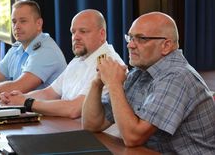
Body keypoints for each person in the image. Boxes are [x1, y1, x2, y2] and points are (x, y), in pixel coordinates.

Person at [82, 12, 215, 154]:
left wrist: (114, 84)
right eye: (130, 37)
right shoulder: (139, 73)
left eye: (141, 38)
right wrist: (98, 81)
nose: (130, 45)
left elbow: (133, 138)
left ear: (166, 45)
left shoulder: (178, 76)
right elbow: (92, 124)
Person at [0, 9, 125, 119]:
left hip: (102, 140)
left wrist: (26, 102)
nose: (76, 37)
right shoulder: (78, 60)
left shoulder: (109, 63)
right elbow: (49, 93)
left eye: (83, 31)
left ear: (101, 34)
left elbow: (74, 109)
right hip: (72, 131)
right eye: (73, 32)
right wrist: (16, 98)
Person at [0, 0, 67, 99]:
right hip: (25, 110)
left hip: (47, 113)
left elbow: (18, 88)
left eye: (23, 21)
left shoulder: (47, 50)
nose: (16, 26)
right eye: (14, 22)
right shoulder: (17, 48)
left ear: (38, 24)